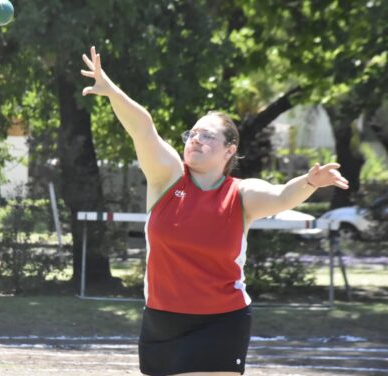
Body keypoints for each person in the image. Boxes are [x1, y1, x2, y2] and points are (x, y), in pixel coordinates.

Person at [80, 46, 349, 376]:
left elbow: (281, 196)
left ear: (229, 149)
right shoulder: (166, 177)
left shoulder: (240, 194)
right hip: (161, 323)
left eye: (206, 136)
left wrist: (309, 181)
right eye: (191, 134)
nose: (194, 140)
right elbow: (143, 127)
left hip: (221, 322)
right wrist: (110, 91)